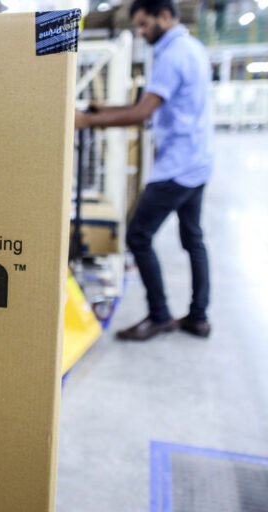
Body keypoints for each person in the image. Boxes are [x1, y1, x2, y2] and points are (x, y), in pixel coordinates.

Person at [75, 0, 213, 341]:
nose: (140, 31)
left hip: (177, 166)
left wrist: (87, 120)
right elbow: (148, 106)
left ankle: (160, 315)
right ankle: (198, 316)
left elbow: (142, 114)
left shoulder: (171, 54)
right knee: (193, 239)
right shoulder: (191, 47)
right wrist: (105, 109)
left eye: (143, 24)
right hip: (199, 159)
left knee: (138, 235)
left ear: (164, 16)